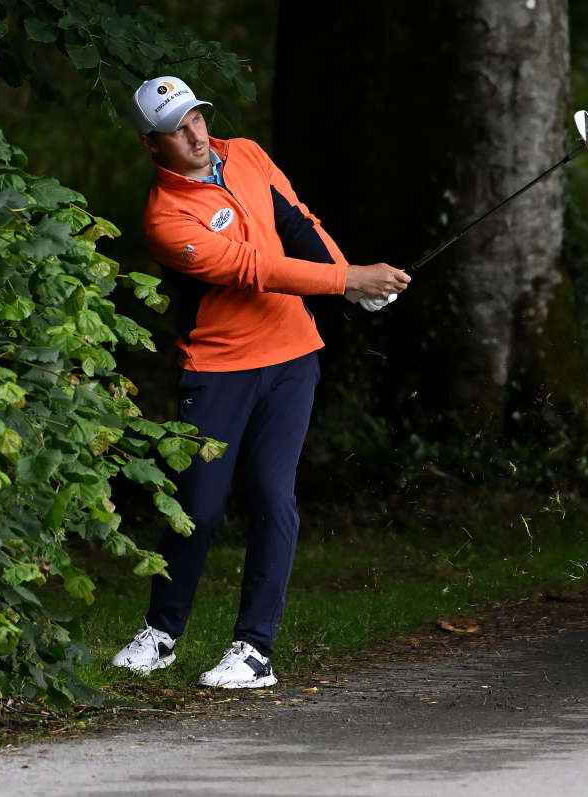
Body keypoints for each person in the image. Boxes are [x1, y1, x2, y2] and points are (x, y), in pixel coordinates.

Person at [110, 76, 409, 688]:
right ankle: (163, 633)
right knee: (197, 505)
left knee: (273, 495)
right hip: (217, 369)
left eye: (197, 118)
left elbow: (296, 222)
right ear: (151, 143)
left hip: (292, 357)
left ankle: (253, 650)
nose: (196, 136)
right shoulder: (167, 218)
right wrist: (347, 283)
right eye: (178, 128)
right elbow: (253, 268)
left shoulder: (244, 153)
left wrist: (346, 276)